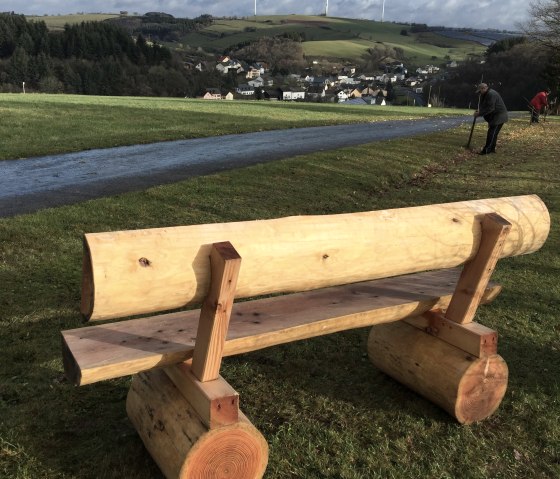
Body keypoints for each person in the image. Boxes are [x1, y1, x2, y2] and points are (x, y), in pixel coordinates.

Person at [474, 83, 508, 155]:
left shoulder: (491, 94)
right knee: (493, 133)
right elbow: (485, 105)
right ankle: (491, 150)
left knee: (491, 133)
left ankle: (487, 150)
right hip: (496, 116)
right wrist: (479, 110)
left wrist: (479, 114)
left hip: (499, 116)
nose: (480, 93)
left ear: (484, 88)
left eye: (480, 91)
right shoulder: (487, 94)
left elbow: (490, 108)